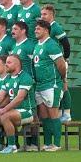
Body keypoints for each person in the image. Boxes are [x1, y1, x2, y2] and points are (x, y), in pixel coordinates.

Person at [0, 54, 36, 153]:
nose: (6, 65)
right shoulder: (8, 78)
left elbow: (19, 98)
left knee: (5, 115)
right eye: (6, 62)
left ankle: (12, 146)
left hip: (27, 111)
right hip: (14, 111)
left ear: (17, 64)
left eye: (9, 63)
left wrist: (5, 109)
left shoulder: (25, 77)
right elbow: (0, 96)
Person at [33, 20, 67, 152]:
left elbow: (61, 64)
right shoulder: (37, 45)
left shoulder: (51, 45)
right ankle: (47, 143)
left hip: (51, 84)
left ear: (46, 30)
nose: (35, 31)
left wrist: (61, 79)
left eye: (38, 29)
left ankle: (57, 144)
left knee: (53, 114)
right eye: (35, 29)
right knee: (44, 115)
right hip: (40, 85)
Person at [41, 4, 71, 122]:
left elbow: (66, 43)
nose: (42, 16)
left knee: (64, 86)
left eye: (45, 14)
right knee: (57, 88)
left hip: (58, 62)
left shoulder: (55, 27)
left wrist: (65, 58)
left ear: (52, 15)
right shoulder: (46, 27)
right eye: (42, 14)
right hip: (51, 63)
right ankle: (58, 113)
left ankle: (67, 113)